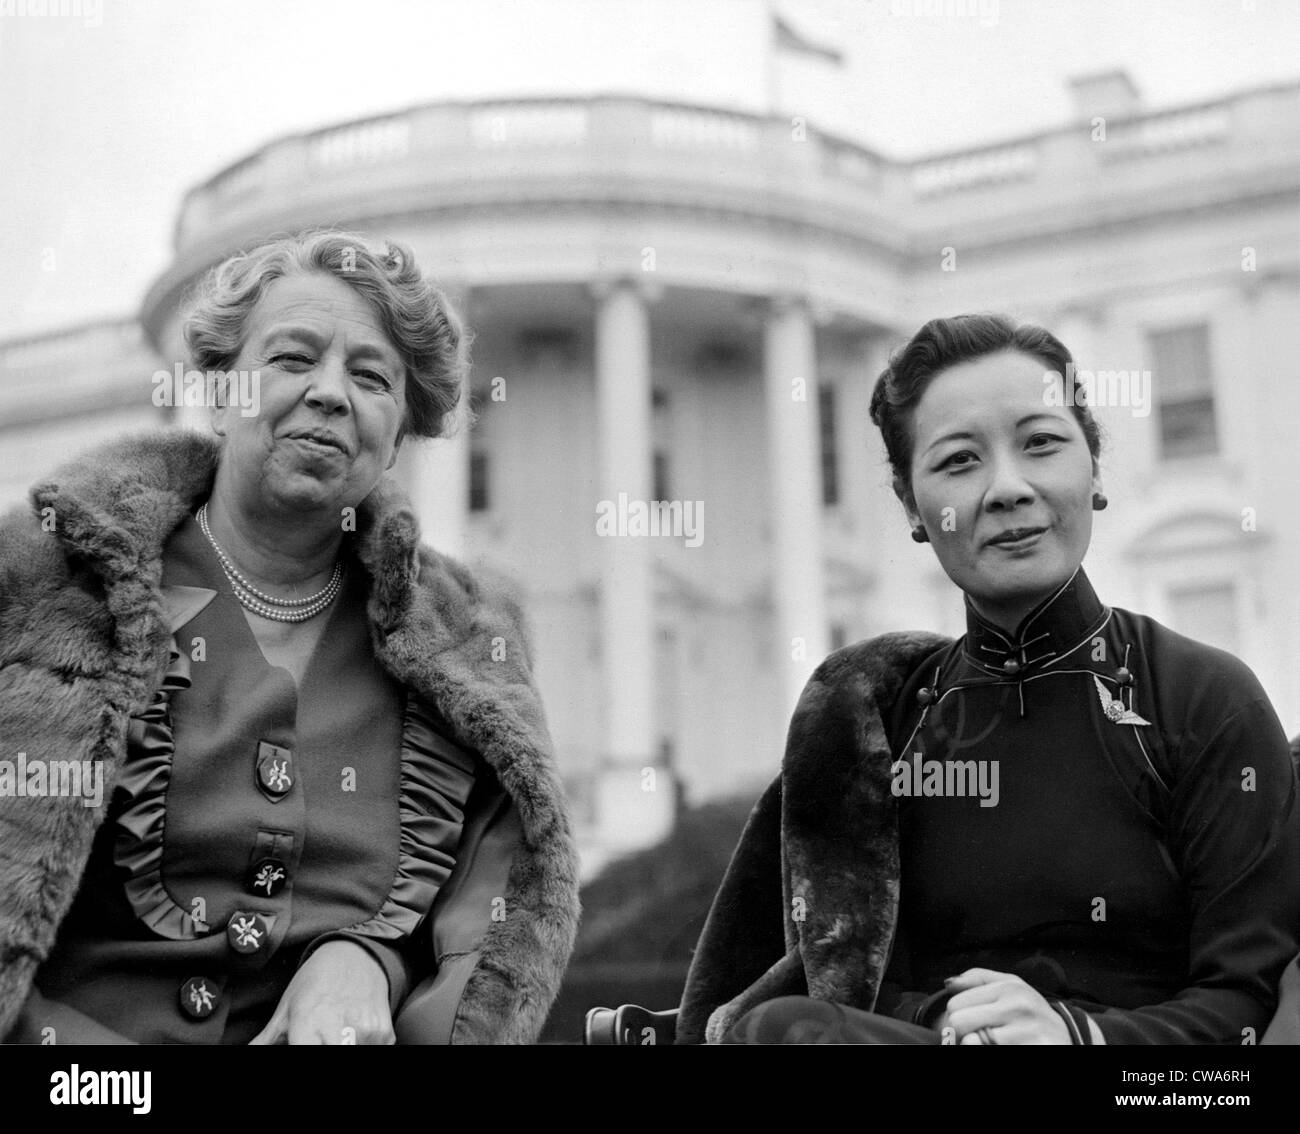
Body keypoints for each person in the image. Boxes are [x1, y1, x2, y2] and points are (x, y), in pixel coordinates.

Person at [0, 229, 579, 1044]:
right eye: (293, 359)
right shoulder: (38, 587)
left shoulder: (466, 650)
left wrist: (367, 960)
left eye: (372, 377)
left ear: (399, 431)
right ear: (220, 392)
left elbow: (477, 931)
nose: (332, 394)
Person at [677, 313, 1300, 1045]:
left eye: (1041, 443)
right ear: (913, 507)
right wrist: (940, 1017)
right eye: (959, 461)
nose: (1007, 488)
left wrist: (1073, 1036)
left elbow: (1248, 1004)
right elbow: (844, 987)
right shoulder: (879, 723)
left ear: (1094, 471)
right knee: (785, 1030)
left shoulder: (1203, 698)